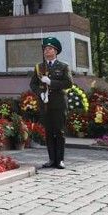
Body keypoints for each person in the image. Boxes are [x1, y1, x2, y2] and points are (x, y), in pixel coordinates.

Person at [30, 37, 73, 170]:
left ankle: (60, 160)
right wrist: (40, 93)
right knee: (48, 131)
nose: (46, 51)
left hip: (58, 103)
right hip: (45, 103)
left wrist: (51, 82)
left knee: (59, 131)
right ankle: (51, 159)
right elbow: (33, 84)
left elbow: (68, 83)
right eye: (45, 49)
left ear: (55, 51)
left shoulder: (63, 66)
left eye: (49, 48)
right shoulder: (39, 67)